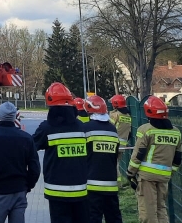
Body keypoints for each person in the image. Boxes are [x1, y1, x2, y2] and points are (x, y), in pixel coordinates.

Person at [32, 82, 89, 223]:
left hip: (56, 191)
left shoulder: (47, 128)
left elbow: (30, 147)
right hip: (80, 190)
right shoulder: (81, 127)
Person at [0, 102, 40, 223]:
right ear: (14, 117)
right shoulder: (26, 138)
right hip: (19, 192)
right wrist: (27, 186)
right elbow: (35, 168)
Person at [127, 96, 182, 223]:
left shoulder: (145, 130)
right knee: (161, 209)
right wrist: (169, 173)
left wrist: (130, 173)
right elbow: (177, 158)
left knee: (148, 211)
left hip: (147, 177)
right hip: (164, 177)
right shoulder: (176, 132)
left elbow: (138, 154)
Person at [83, 95, 122, 223]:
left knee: (93, 217)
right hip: (110, 184)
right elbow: (115, 154)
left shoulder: (86, 128)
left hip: (92, 185)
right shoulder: (112, 129)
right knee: (114, 218)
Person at [109, 94, 132, 185]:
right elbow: (129, 132)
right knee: (116, 163)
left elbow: (109, 128)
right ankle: (118, 182)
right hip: (123, 145)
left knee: (113, 164)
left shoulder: (115, 115)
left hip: (113, 143)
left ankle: (117, 183)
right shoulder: (128, 116)